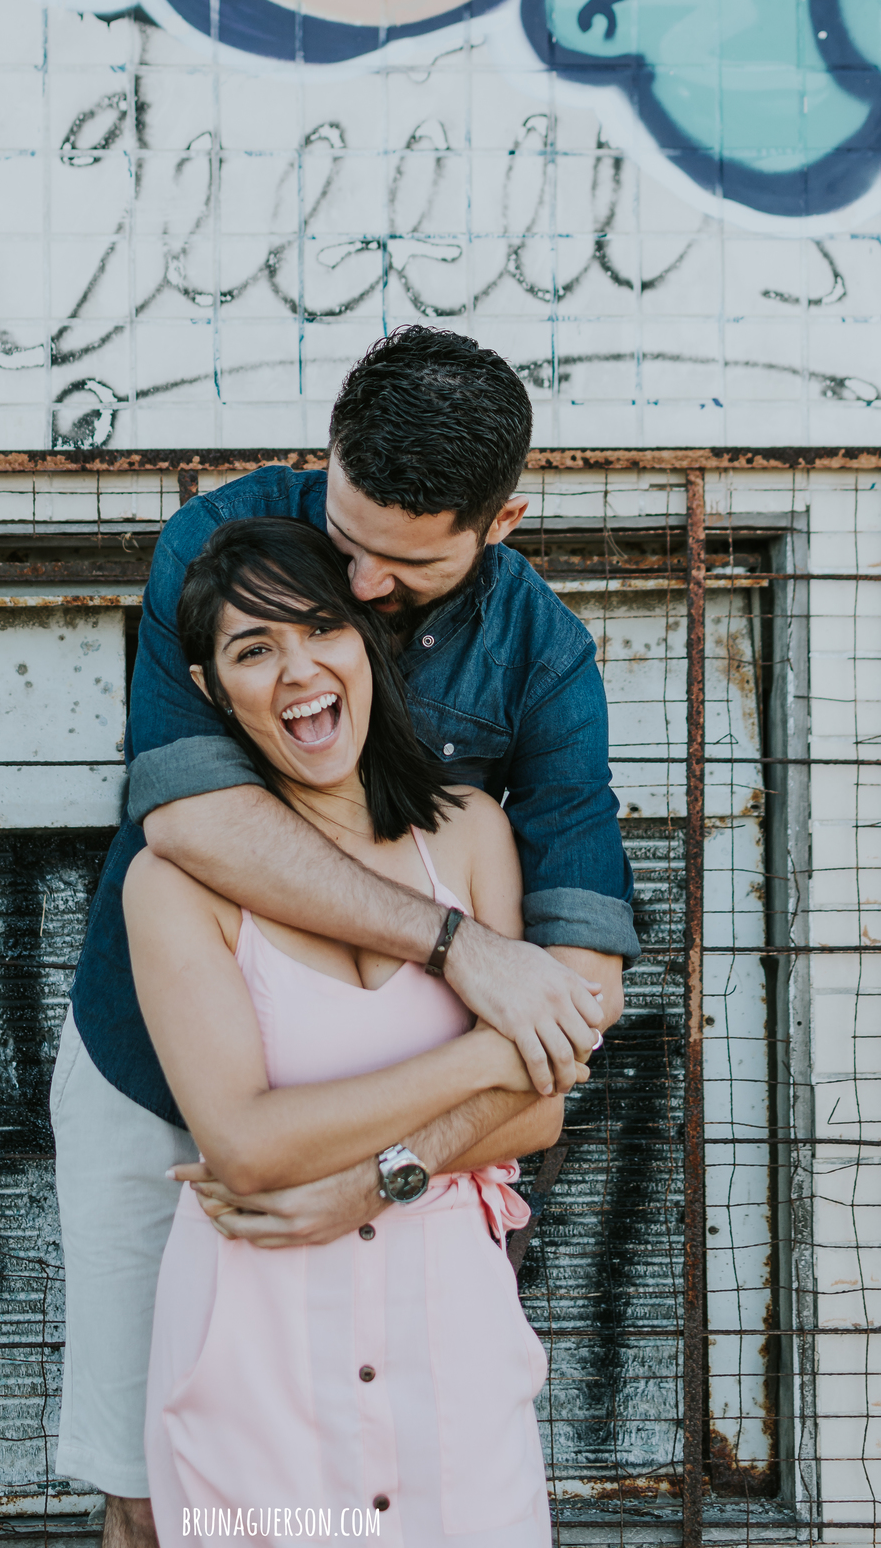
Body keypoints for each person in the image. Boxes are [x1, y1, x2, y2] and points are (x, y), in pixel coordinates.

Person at [52, 327, 636, 1547]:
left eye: (400, 570)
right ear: (328, 455)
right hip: (151, 1070)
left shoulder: (543, 655)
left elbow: (575, 994)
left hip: (396, 1129)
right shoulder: (220, 544)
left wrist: (380, 1180)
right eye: (346, 539)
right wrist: (462, 950)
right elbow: (196, 824)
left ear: (503, 521)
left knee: (394, 1490)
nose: (359, 590)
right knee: (154, 1485)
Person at [128, 517, 601, 1546]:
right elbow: (249, 1147)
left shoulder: (468, 831)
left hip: (453, 1340)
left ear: (368, 643)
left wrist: (375, 1175)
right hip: (260, 1341)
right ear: (212, 690)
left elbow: (542, 1112)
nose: (298, 669)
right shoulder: (174, 882)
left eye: (320, 629)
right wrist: (492, 1050)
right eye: (255, 649)